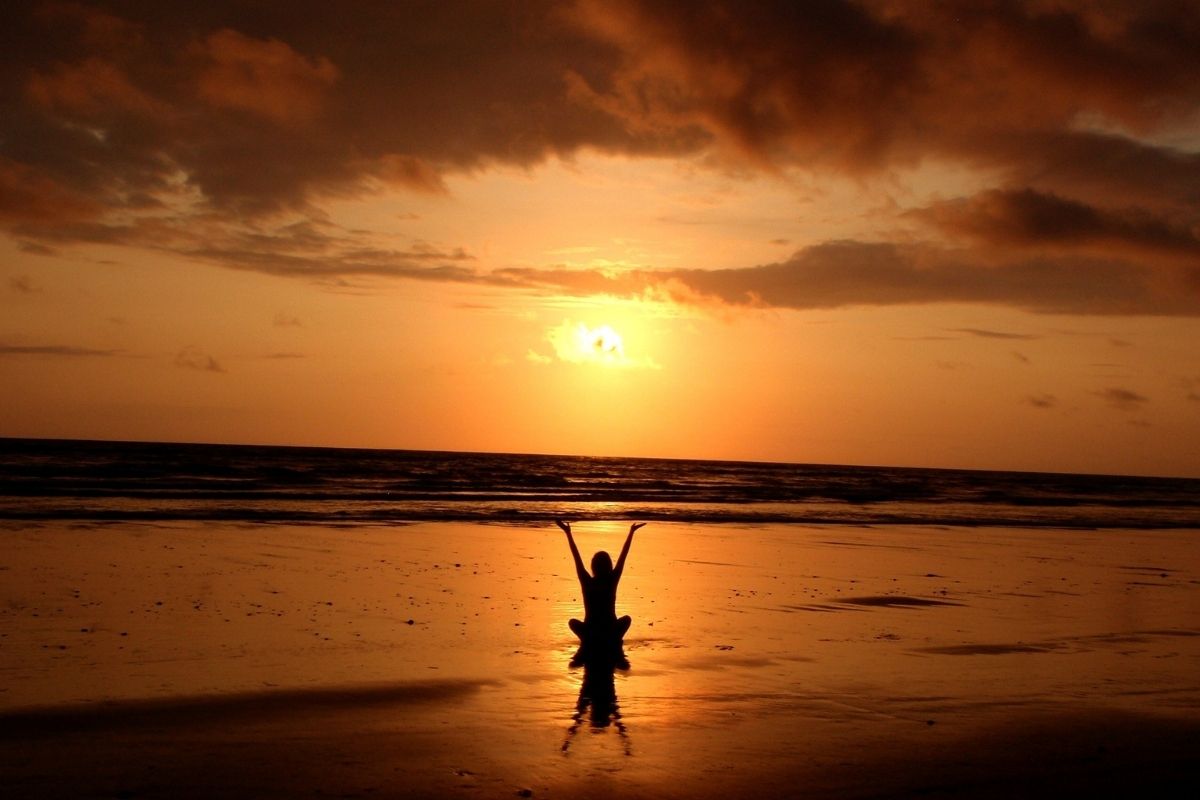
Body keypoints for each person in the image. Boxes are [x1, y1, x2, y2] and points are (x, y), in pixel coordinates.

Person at [557, 519, 644, 657]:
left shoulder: (587, 581)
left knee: (572, 622)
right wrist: (631, 533)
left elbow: (576, 557)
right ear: (609, 565)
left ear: (593, 566)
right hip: (610, 631)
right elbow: (623, 556)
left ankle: (593, 641)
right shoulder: (612, 580)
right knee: (627, 619)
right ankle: (611, 640)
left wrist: (568, 533)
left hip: (590, 632)